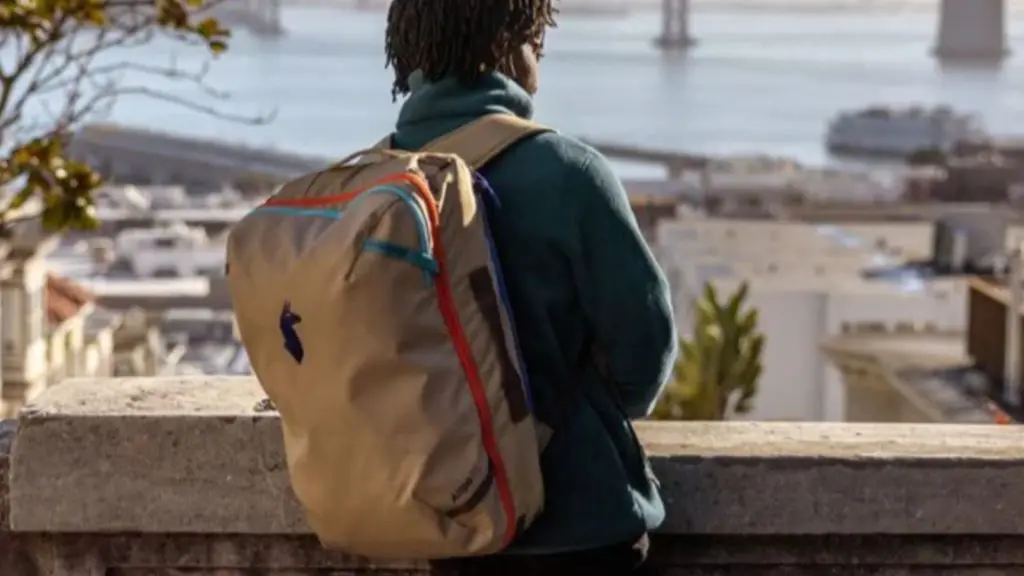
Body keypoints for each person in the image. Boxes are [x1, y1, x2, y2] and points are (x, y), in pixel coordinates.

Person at [383, 0, 678, 574]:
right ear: (511, 46)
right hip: (578, 524)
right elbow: (644, 349)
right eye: (535, 42)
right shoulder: (568, 173)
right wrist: (585, 417)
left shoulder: (379, 179)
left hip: (448, 521)